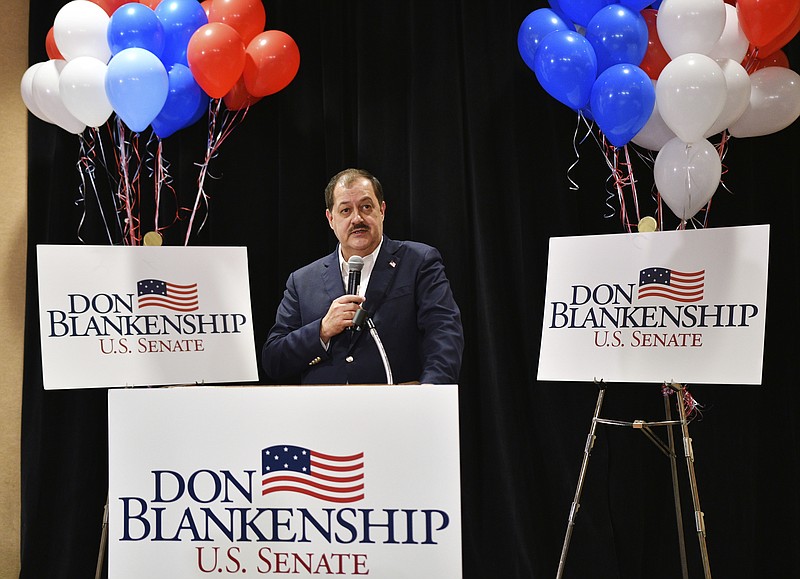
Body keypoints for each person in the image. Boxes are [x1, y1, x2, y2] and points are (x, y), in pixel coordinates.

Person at [262, 168, 464, 385]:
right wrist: (322, 330)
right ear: (330, 219)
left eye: (366, 207)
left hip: (399, 411)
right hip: (326, 414)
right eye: (345, 210)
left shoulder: (418, 262)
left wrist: (428, 394)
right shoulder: (302, 282)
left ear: (382, 210)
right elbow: (274, 359)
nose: (357, 218)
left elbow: (444, 334)